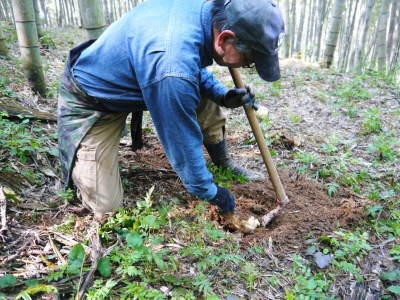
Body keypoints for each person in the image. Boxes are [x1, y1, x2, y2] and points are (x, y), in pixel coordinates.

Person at [57, 0, 284, 218]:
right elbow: (181, 138)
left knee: (197, 94)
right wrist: (210, 192)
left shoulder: (206, 15)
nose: (246, 66)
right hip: (94, 99)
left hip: (146, 75)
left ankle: (223, 162)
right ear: (224, 39)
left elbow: (190, 64)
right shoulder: (172, 66)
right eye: (249, 59)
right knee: (106, 207)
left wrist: (222, 95)